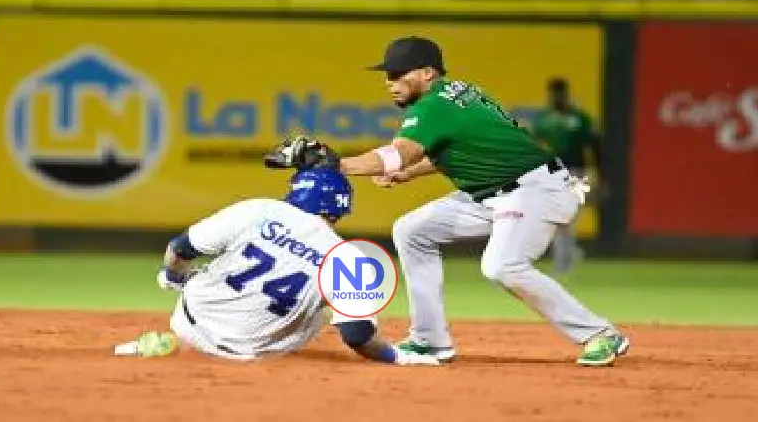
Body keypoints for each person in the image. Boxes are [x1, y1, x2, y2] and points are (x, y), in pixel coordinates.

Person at [264, 37, 629, 367]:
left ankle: (600, 334)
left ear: (426, 72)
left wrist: (337, 164)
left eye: (396, 74)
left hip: (533, 190)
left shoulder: (434, 106)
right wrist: (408, 174)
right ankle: (430, 341)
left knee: (503, 266)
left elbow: (397, 154)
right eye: (386, 76)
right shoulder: (458, 94)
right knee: (412, 230)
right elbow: (450, 151)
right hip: (493, 193)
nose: (389, 83)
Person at [114, 168, 439, 366]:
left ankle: (172, 348)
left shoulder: (260, 208)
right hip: (254, 355)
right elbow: (357, 336)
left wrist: (172, 276)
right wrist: (397, 356)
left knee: (205, 274)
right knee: (322, 307)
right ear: (340, 209)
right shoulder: (349, 258)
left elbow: (180, 249)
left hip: (186, 323)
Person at [531, 77, 604, 273]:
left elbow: (595, 147)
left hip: (576, 173)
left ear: (566, 94)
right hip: (552, 173)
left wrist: (598, 175)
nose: (556, 97)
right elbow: (535, 147)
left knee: (566, 219)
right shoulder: (544, 119)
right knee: (558, 222)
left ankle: (565, 263)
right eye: (553, 94)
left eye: (559, 93)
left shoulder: (580, 118)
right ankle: (570, 255)